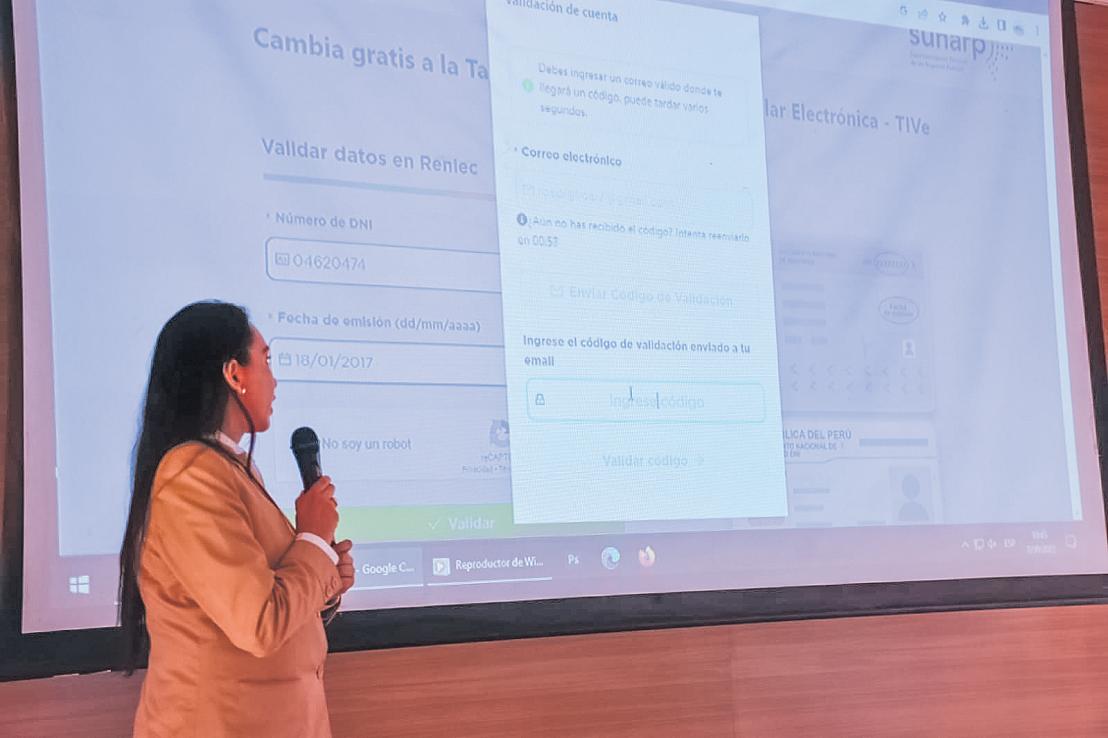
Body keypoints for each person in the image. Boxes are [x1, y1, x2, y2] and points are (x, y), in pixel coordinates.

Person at [118, 301, 355, 737]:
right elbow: (259, 623)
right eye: (266, 360)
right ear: (233, 373)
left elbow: (256, 597)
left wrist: (324, 578)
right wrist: (313, 539)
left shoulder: (230, 468)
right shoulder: (191, 475)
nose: (275, 380)